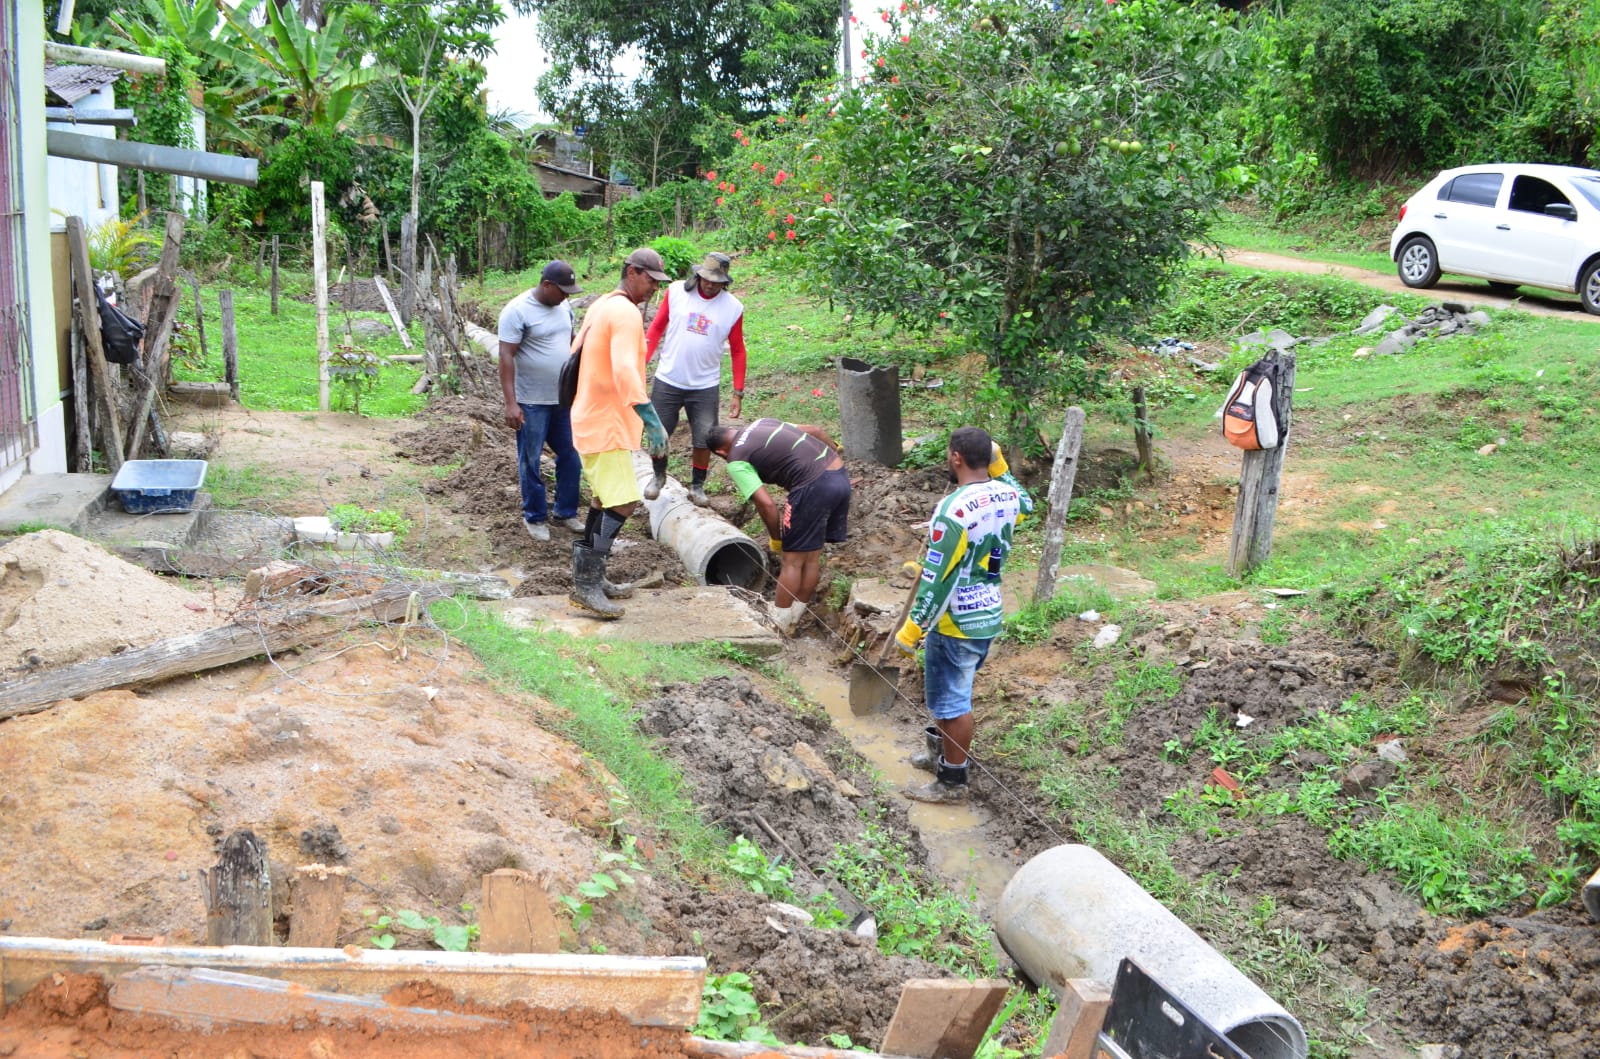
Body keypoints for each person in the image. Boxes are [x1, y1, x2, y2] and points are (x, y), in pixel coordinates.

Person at [893, 427, 1030, 804]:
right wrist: (999, 465)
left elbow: (939, 580)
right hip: (987, 611)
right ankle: (939, 755)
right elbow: (1027, 503)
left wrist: (912, 627)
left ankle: (952, 782)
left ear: (955, 457)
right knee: (949, 693)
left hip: (954, 622)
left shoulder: (952, 510)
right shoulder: (1008, 495)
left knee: (953, 702)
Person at [567, 247, 673, 619]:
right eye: (650, 280)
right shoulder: (625, 312)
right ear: (632, 272)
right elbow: (627, 370)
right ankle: (587, 586)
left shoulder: (603, 305)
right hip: (606, 424)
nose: (653, 290)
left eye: (659, 284)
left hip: (593, 416)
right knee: (624, 502)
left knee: (602, 500)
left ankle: (594, 578)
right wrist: (652, 420)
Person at [707, 418, 850, 634]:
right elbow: (816, 430)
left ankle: (778, 625)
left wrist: (776, 538)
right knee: (811, 558)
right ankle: (793, 619)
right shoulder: (763, 422)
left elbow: (767, 505)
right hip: (839, 476)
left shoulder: (736, 460)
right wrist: (835, 453)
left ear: (720, 452)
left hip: (812, 487)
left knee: (791, 561)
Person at [643, 252, 748, 506]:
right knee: (659, 433)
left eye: (715, 281)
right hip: (668, 379)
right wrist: (642, 361)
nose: (709, 284)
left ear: (725, 282)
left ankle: (697, 486)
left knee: (704, 438)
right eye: (705, 278)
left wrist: (738, 392)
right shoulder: (677, 292)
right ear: (698, 275)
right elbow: (657, 327)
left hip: (704, 385)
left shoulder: (733, 308)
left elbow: (737, 349)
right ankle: (658, 477)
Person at [497, 261, 585, 542]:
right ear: (547, 285)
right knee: (530, 460)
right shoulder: (517, 311)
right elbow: (506, 356)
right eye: (562, 291)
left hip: (562, 398)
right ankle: (534, 516)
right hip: (531, 401)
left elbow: (571, 342)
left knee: (571, 455)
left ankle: (566, 511)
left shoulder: (564, 308)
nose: (566, 297)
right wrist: (512, 403)